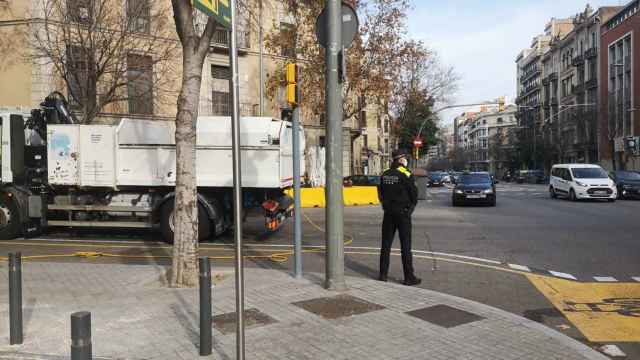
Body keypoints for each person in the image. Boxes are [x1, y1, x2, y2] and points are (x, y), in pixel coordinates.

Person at [377, 149, 421, 286]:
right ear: (401, 159)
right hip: (403, 214)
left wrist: (385, 206)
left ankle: (383, 275)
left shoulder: (385, 174)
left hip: (388, 213)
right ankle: (409, 277)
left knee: (386, 245)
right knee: (405, 246)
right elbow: (414, 194)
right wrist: (410, 209)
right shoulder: (406, 173)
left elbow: (380, 193)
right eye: (405, 158)